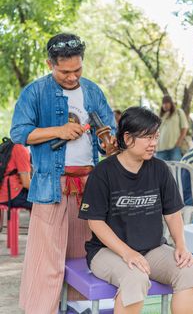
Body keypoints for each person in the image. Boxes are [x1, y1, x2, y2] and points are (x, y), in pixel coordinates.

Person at [10, 33, 116, 314]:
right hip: (50, 183)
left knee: (83, 250)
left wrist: (110, 141)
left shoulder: (92, 91)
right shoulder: (35, 92)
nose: (72, 77)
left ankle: (77, 306)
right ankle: (42, 309)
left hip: (89, 183)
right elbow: (19, 133)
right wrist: (58, 131)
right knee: (48, 255)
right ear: (50, 64)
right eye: (65, 72)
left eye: (78, 70)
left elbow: (109, 128)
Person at [79, 106, 193, 314]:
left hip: (152, 249)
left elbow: (172, 214)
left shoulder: (160, 169)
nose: (154, 143)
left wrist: (181, 245)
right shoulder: (103, 172)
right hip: (107, 252)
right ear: (127, 138)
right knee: (135, 278)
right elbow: (95, 222)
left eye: (156, 137)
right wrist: (127, 253)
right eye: (148, 138)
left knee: (188, 270)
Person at [156, 95, 188, 161]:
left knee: (175, 170)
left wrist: (178, 143)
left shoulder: (178, 112)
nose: (165, 105)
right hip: (160, 150)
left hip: (174, 149)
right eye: (163, 103)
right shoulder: (160, 116)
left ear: (171, 103)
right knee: (159, 170)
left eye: (167, 103)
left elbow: (184, 128)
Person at [0, 143, 32, 209]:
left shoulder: (9, 146)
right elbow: (26, 184)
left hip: (2, 191)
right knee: (41, 203)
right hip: (10, 194)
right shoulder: (21, 149)